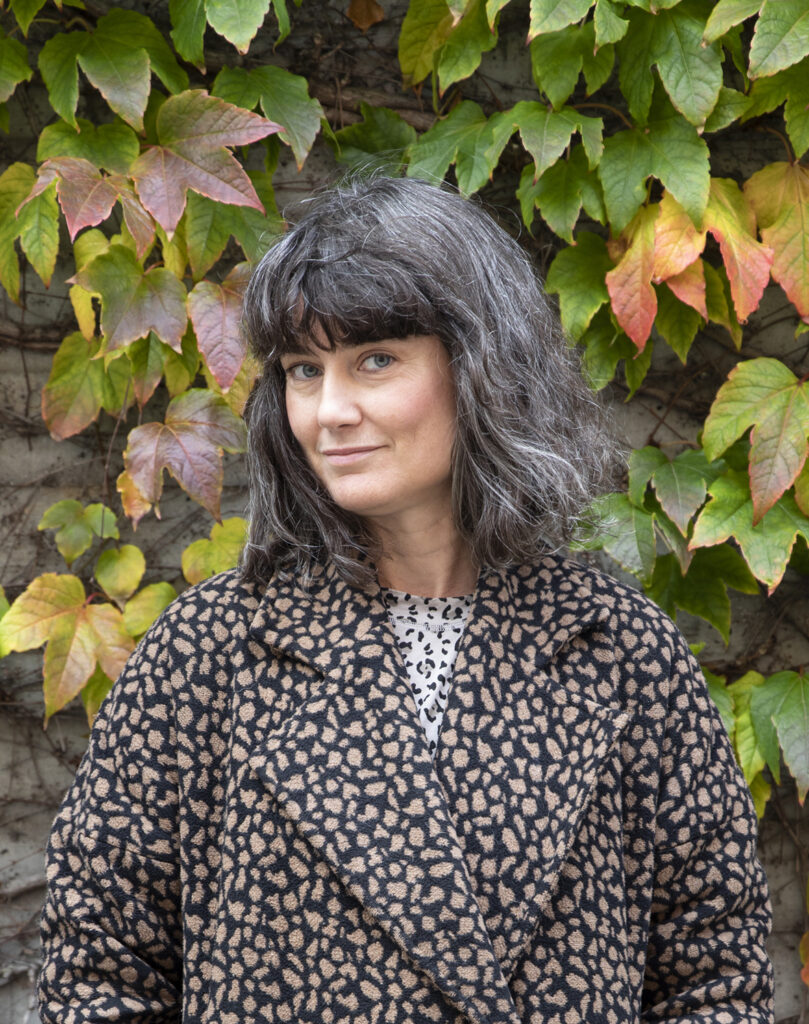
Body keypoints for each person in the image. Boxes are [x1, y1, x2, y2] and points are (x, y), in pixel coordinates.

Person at [38, 176, 774, 1024]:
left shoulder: (616, 648)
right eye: (303, 372)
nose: (330, 412)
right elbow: (98, 973)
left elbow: (712, 982)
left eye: (374, 361)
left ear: (480, 366)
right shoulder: (211, 652)